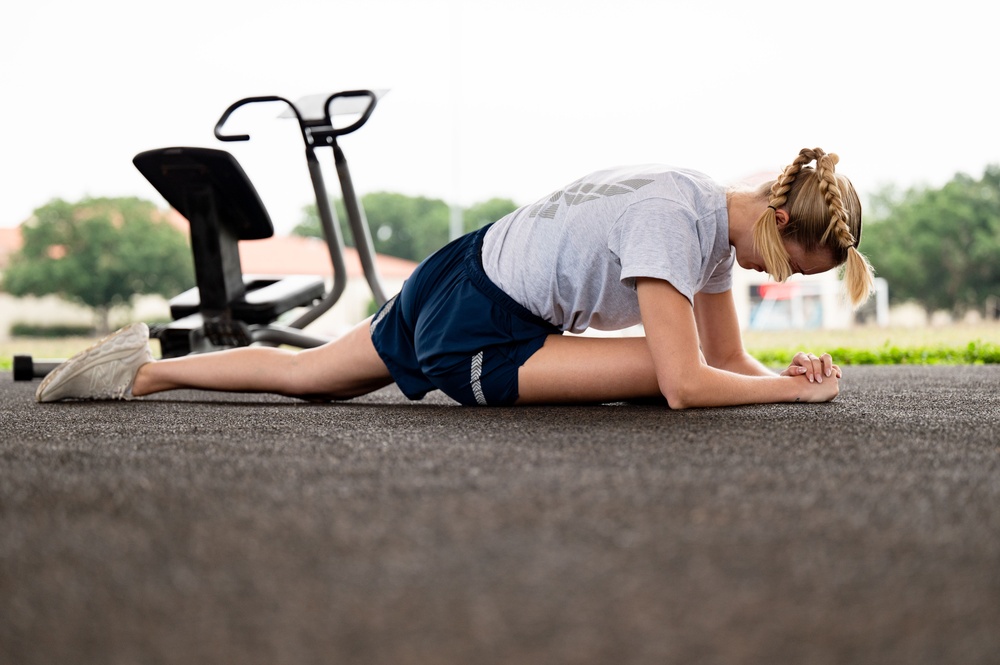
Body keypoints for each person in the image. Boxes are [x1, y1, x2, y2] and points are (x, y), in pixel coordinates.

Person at [35, 147, 875, 409]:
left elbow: (729, 361)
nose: (775, 277)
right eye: (789, 264)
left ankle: (138, 371)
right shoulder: (674, 221)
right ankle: (138, 370)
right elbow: (689, 381)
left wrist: (786, 373)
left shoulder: (708, 218)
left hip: (464, 268)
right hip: (483, 320)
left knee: (309, 377)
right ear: (780, 225)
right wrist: (796, 398)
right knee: (658, 380)